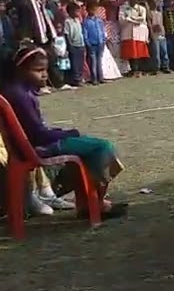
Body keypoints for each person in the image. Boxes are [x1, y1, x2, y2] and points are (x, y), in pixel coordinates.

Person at [0, 45, 127, 217]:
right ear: (21, 70)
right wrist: (68, 133)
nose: (44, 74)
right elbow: (39, 135)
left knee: (89, 146)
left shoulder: (17, 91)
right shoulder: (20, 96)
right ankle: (93, 203)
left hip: (32, 145)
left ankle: (89, 202)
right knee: (102, 148)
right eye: (38, 70)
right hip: (38, 148)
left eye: (45, 69)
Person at [118, 0, 150, 77]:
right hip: (127, 33)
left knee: (139, 53)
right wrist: (133, 20)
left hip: (139, 33)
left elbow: (142, 19)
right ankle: (131, 70)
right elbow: (121, 20)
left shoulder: (141, 8)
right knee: (130, 53)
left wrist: (131, 19)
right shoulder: (123, 7)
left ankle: (138, 70)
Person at [82, 0, 106, 86]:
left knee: (99, 61)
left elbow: (102, 31)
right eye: (92, 9)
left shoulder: (99, 20)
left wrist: (103, 39)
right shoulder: (86, 22)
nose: (93, 11)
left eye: (95, 9)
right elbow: (85, 33)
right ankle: (94, 78)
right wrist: (87, 42)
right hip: (92, 44)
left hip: (100, 43)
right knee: (93, 62)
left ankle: (101, 77)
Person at [148, 0, 171, 74]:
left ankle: (165, 66)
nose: (157, 2)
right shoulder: (150, 13)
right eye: (155, 0)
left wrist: (163, 33)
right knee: (156, 53)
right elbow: (150, 24)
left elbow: (162, 24)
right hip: (154, 34)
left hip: (161, 34)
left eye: (158, 0)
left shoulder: (159, 13)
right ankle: (156, 68)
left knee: (164, 51)